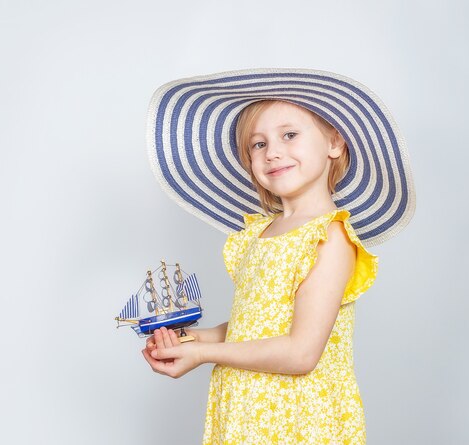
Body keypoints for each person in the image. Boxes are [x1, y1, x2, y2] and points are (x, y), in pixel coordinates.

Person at [142, 69, 415, 444]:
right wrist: (189, 341)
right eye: (258, 144)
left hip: (297, 420)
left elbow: (301, 353)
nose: (272, 152)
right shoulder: (256, 234)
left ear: (334, 141)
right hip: (244, 411)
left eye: (289, 135)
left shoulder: (329, 239)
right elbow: (253, 326)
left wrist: (206, 356)